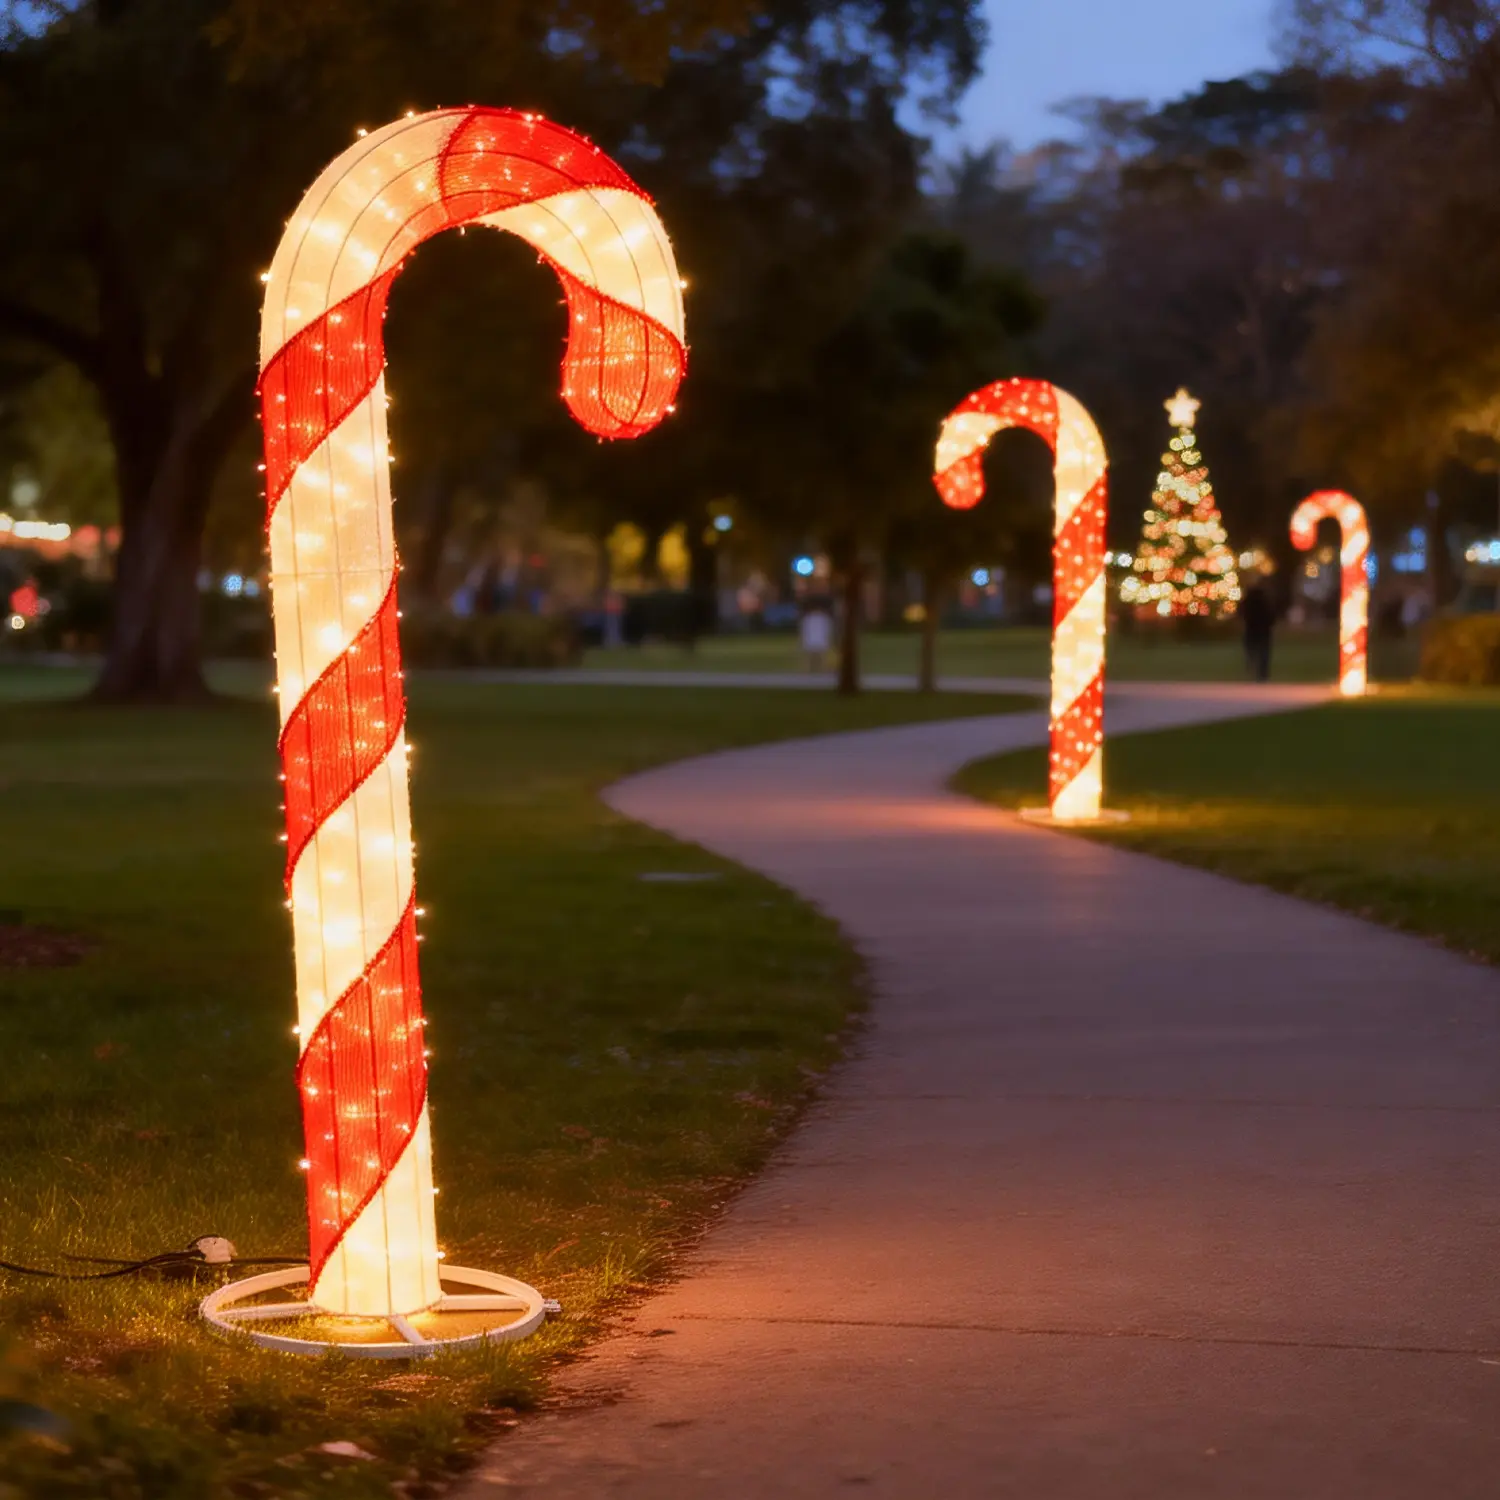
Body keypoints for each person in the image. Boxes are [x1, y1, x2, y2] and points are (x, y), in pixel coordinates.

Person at [1240, 576, 1275, 682]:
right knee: (1263, 652)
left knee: (1251, 649)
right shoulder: (1265, 598)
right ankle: (1262, 674)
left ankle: (1252, 668)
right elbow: (1271, 614)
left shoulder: (1248, 598)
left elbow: (1242, 612)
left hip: (1251, 628)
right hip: (1264, 629)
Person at [799, 599, 833, 671]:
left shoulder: (824, 618)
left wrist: (827, 638)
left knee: (822, 656)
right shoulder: (808, 618)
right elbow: (804, 629)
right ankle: (807, 670)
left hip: (820, 638)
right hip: (811, 639)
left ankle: (823, 669)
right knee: (809, 656)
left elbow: (828, 628)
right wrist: (804, 638)